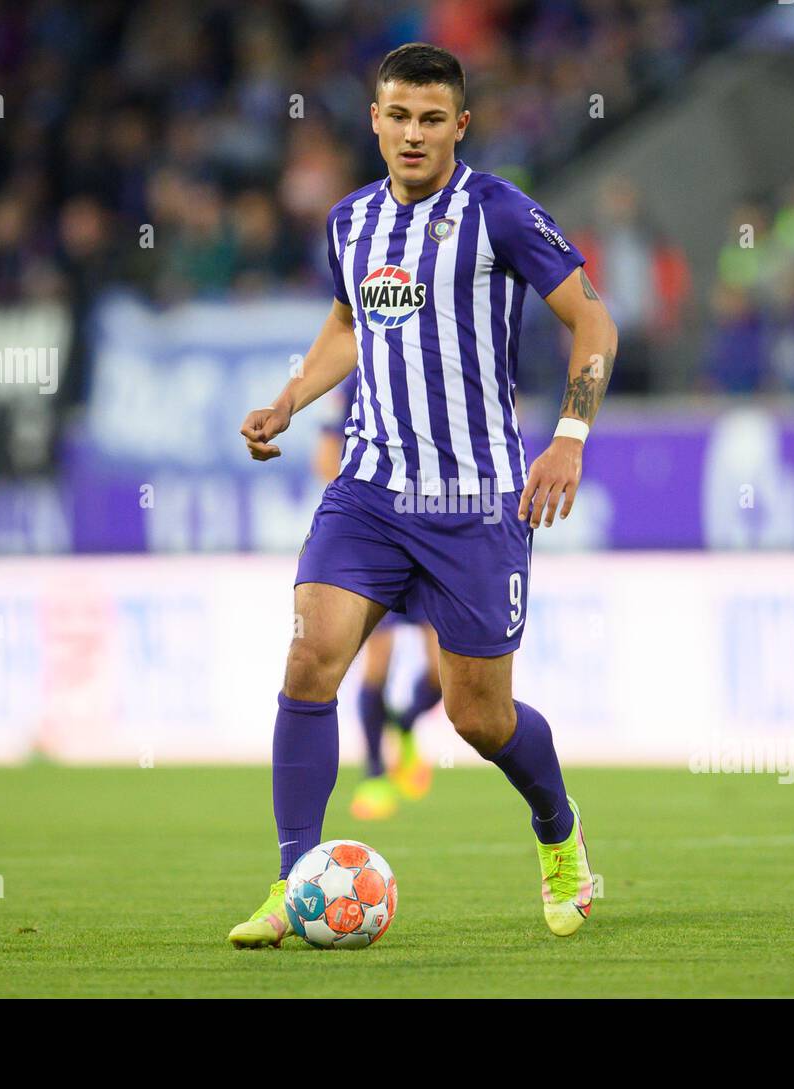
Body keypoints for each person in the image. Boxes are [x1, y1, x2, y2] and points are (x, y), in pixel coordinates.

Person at [227, 42, 617, 946]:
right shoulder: (350, 222)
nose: (413, 133)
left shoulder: (498, 213)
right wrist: (290, 398)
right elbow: (347, 323)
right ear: (375, 119)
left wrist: (569, 436)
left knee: (479, 715)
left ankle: (559, 834)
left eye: (432, 119)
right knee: (309, 659)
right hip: (368, 489)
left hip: (476, 503)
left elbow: (592, 315)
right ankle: (292, 881)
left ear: (460, 126)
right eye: (398, 115)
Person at [311, 370, 440, 821]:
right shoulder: (355, 383)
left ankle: (403, 724)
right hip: (378, 537)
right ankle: (373, 773)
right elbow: (326, 457)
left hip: (431, 534)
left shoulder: (432, 369)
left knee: (444, 676)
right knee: (378, 660)